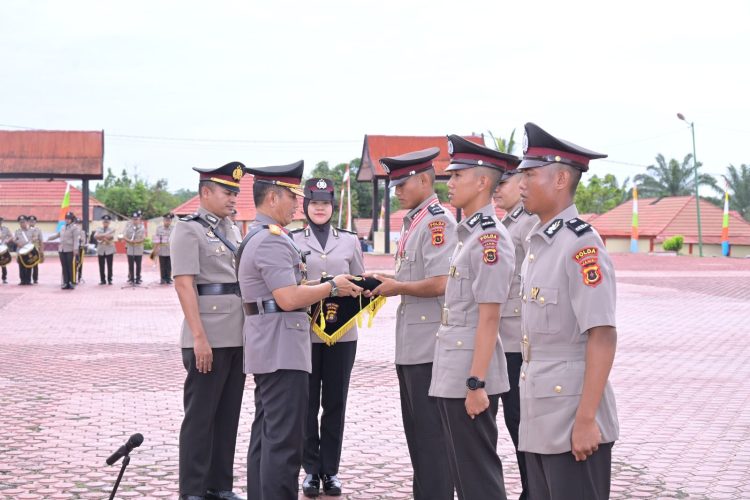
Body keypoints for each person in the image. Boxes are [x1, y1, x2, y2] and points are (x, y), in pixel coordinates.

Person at [238, 161, 362, 500]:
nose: (299, 204)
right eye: (293, 197)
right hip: (281, 348)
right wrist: (332, 287)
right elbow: (289, 297)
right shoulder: (272, 240)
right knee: (283, 444)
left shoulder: (264, 235)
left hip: (273, 345)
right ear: (274, 197)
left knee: (266, 437)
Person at [516, 123, 619, 500]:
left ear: (561, 178)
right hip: (541, 414)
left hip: (574, 416)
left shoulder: (581, 245)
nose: (521, 183)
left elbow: (602, 334)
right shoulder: (540, 243)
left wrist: (587, 420)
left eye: (530, 173)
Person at [427, 135, 517, 500]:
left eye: (456, 176)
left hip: (469, 372)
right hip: (453, 366)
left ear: (482, 181)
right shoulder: (469, 236)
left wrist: (477, 384)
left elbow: (490, 317)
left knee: (478, 475)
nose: (450, 184)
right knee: (462, 472)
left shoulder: (489, 240)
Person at [368, 147, 457, 500]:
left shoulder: (437, 222)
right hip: (412, 348)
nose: (397, 191)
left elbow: (442, 282)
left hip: (430, 349)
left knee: (433, 442)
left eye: (402, 183)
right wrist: (383, 280)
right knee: (418, 439)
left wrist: (397, 287)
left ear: (424, 180)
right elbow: (414, 276)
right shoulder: (414, 222)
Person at [171, 161, 248, 500]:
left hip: (237, 334)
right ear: (205, 193)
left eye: (236, 192)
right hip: (208, 336)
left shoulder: (233, 228)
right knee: (200, 416)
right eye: (227, 192)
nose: (234, 198)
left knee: (228, 415)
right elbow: (185, 285)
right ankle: (192, 489)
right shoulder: (188, 229)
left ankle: (220, 485)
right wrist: (199, 337)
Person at [291, 178, 365, 498]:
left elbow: (360, 284)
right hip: (305, 334)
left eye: (325, 203)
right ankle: (310, 471)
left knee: (335, 402)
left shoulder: (349, 241)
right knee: (307, 404)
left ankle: (330, 471)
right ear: (306, 206)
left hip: (342, 335)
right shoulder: (293, 240)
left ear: (333, 207)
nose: (320, 208)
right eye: (314, 203)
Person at [492, 166, 539, 500]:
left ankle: (533, 489)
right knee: (512, 421)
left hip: (517, 341)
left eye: (502, 183)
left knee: (520, 420)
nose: (496, 190)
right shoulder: (505, 222)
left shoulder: (527, 223)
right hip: (500, 337)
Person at [48, 211, 81, 290]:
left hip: (70, 250)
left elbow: (76, 240)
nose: (67, 220)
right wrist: (49, 238)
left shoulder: (75, 228)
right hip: (62, 249)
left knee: (70, 267)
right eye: (66, 218)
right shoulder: (63, 227)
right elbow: (58, 235)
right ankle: (65, 282)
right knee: (64, 266)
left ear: (72, 219)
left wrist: (75, 249)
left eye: (69, 219)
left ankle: (71, 282)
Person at [124, 211, 145, 285]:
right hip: (130, 248)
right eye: (134, 219)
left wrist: (136, 241)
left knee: (138, 265)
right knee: (131, 265)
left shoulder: (142, 227)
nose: (135, 220)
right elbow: (125, 236)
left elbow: (143, 238)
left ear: (139, 220)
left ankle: (138, 278)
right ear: (132, 219)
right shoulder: (128, 227)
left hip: (138, 249)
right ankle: (131, 278)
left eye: (136, 219)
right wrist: (129, 241)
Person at [95, 214, 116, 285]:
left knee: (109, 266)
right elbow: (95, 236)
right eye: (104, 222)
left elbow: (110, 237)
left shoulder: (112, 229)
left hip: (109, 249)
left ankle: (110, 279)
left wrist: (101, 236)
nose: (105, 223)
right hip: (101, 250)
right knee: (101, 266)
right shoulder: (98, 229)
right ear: (102, 222)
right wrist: (104, 236)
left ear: (109, 222)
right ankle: (102, 280)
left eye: (107, 222)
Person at [13, 215, 34, 285]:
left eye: (24, 222)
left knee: (29, 265)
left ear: (27, 222)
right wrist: (17, 243)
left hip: (29, 251)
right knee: (21, 266)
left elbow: (35, 238)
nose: (22, 224)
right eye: (21, 222)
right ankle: (22, 280)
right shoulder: (17, 231)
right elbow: (14, 239)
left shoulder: (31, 230)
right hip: (20, 251)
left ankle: (28, 280)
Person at [155, 213, 174, 284]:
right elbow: (156, 239)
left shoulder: (174, 228)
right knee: (162, 265)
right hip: (162, 249)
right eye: (166, 220)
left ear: (171, 221)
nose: (167, 222)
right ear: (163, 221)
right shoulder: (159, 228)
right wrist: (155, 249)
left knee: (169, 265)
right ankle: (162, 278)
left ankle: (168, 278)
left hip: (170, 250)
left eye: (169, 220)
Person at [28, 215, 43, 284]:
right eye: (30, 221)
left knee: (35, 265)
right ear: (28, 222)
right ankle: (28, 278)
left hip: (35, 249)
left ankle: (35, 279)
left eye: (33, 221)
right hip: (27, 250)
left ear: (35, 222)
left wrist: (41, 251)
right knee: (27, 263)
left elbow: (41, 241)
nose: (32, 223)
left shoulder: (38, 230)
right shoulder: (25, 230)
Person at [0, 217, 11, 284]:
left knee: (3, 263)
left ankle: (4, 278)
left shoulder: (5, 229)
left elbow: (11, 236)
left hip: (2, 247)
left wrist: (7, 240)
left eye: (1, 221)